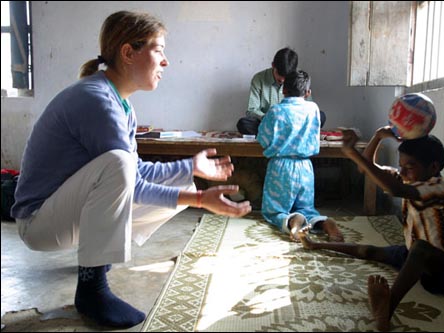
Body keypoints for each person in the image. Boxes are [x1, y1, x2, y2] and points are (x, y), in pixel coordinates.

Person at [10, 11, 251, 329]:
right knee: (129, 169)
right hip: (38, 222)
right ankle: (92, 289)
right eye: (159, 49)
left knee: (179, 183)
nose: (166, 61)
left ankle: (99, 255)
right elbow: (127, 177)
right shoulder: (96, 101)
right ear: (128, 52)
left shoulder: (121, 103)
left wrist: (189, 167)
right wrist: (202, 200)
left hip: (64, 213)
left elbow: (133, 174)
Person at [298, 125, 444, 331]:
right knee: (371, 251)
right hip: (421, 261)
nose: (402, 171)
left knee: (419, 249)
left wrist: (352, 152)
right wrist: (377, 137)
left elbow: (393, 188)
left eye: (409, 166)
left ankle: (385, 311)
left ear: (434, 167)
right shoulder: (409, 179)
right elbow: (366, 169)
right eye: (400, 166)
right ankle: (316, 246)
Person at [256, 70, 344, 243]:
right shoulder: (313, 108)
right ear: (307, 93)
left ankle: (293, 224)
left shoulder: (276, 110)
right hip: (305, 168)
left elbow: (263, 138)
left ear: (283, 90)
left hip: (280, 168)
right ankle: (325, 223)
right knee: (307, 208)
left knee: (275, 211)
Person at [237, 47, 326, 135]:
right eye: (280, 75)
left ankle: (278, 134)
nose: (283, 80)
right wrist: (270, 118)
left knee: (320, 116)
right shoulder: (259, 79)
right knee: (243, 124)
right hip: (270, 123)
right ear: (273, 66)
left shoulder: (299, 79)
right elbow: (251, 110)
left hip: (294, 122)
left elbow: (308, 108)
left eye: (286, 77)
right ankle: (291, 134)